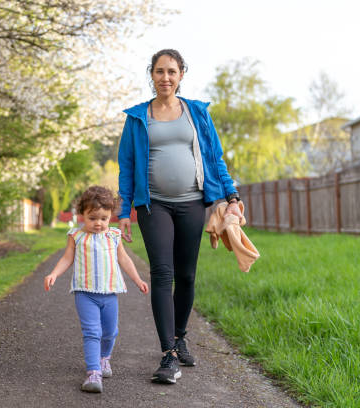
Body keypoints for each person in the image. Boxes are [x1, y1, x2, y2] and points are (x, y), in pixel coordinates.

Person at [117, 49, 243, 385]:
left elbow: (215, 157)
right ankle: (168, 354)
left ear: (182, 74)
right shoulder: (137, 117)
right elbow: (127, 165)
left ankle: (180, 336)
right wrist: (123, 211)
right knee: (162, 271)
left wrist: (232, 197)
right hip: (152, 204)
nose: (165, 78)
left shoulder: (197, 113)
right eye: (159, 71)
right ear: (151, 74)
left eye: (172, 71)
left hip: (192, 203)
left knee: (186, 275)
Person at [44, 185, 149, 393]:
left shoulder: (114, 236)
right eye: (93, 218)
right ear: (82, 214)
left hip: (109, 293)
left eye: (104, 218)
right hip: (85, 293)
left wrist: (138, 280)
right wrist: (54, 273)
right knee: (92, 332)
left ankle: (104, 359)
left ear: (110, 216)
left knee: (110, 332)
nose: (99, 223)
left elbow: (124, 259)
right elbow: (67, 258)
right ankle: (93, 373)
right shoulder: (76, 236)